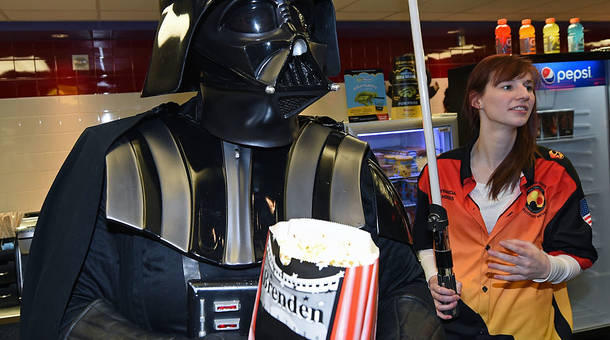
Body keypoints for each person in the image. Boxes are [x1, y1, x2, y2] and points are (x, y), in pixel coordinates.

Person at [20, 1, 443, 339]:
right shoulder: (121, 162)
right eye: (258, 14)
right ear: (194, 38)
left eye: (298, 15)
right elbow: (70, 310)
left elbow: (405, 294)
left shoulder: (349, 165)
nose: (295, 41)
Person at [413, 55, 597, 340]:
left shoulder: (554, 172)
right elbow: (425, 245)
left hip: (531, 329)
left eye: (528, 86)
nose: (524, 94)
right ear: (477, 100)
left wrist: (547, 267)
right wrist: (432, 278)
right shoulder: (438, 174)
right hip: (459, 328)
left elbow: (580, 254)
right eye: (508, 87)